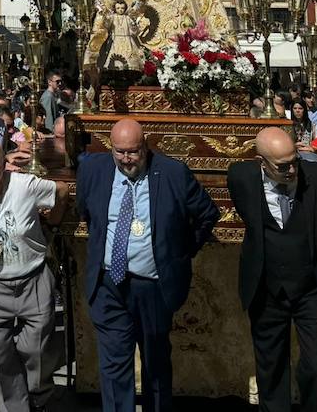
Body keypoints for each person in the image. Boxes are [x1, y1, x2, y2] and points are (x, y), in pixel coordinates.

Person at [79, 117, 219, 412]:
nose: (127, 159)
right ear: (110, 148)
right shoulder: (93, 169)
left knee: (155, 364)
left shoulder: (172, 173)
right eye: (120, 152)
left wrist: (179, 251)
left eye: (133, 152)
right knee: (114, 366)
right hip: (109, 285)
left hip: (152, 287)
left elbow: (207, 214)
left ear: (146, 146)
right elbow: (89, 215)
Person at [227, 126, 317, 412]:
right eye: (282, 165)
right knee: (271, 368)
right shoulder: (241, 178)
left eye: (294, 161)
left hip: (311, 288)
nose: (291, 169)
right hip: (267, 288)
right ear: (261, 163)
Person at [0, 140, 67, 412]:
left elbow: (62, 191)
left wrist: (52, 222)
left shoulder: (24, 185)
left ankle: (38, 394)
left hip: (33, 279)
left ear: (4, 165)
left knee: (37, 348)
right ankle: (14, 407)